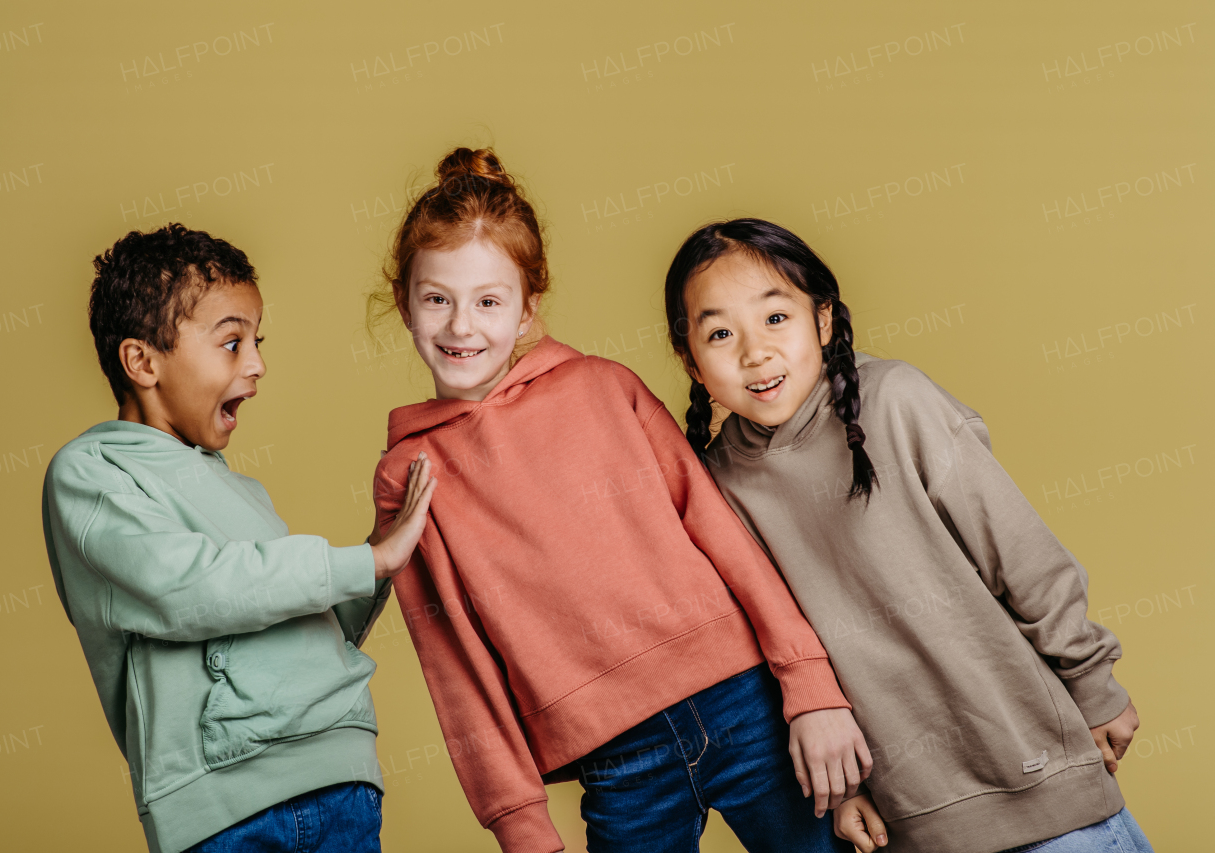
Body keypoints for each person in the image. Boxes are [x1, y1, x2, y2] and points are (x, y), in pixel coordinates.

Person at [370, 148, 868, 853]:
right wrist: (518, 819)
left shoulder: (604, 386)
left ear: (526, 307)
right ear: (405, 304)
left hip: (746, 701)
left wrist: (810, 683)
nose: (461, 326)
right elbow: (451, 658)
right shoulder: (409, 471)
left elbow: (721, 532)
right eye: (436, 299)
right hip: (616, 760)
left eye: (488, 300)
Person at [663, 217, 1153, 853]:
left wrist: (1094, 684)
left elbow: (1022, 557)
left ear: (824, 320)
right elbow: (783, 655)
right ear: (691, 362)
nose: (755, 353)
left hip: (1039, 779)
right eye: (721, 333)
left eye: (775, 318)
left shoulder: (895, 400)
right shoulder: (719, 480)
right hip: (907, 816)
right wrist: (843, 790)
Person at [41, 223, 436, 853]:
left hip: (342, 780)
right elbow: (190, 589)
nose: (257, 363)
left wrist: (384, 550)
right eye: (231, 343)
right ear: (142, 362)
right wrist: (365, 560)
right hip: (229, 809)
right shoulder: (93, 474)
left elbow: (310, 625)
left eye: (256, 341)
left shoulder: (241, 489)